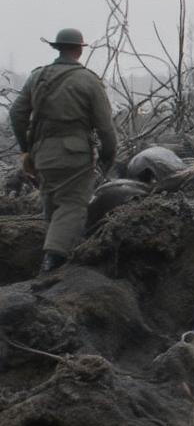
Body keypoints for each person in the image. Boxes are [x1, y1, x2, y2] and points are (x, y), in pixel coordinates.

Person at [8, 28, 117, 273]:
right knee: (73, 205)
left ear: (58, 48)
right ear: (79, 49)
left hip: (42, 154)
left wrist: (28, 149)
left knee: (52, 204)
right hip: (75, 156)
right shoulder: (88, 80)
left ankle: (59, 252)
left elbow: (16, 114)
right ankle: (54, 260)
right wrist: (109, 155)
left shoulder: (38, 76)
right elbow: (105, 126)